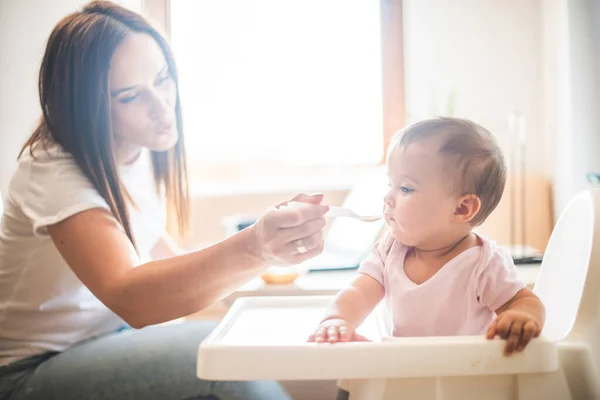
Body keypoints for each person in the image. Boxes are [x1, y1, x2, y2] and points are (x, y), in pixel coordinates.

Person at [0, 2, 328, 399]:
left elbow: (167, 265)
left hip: (105, 343)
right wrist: (259, 247)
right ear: (86, 106)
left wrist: (268, 293)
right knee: (223, 361)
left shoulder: (134, 148)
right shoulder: (53, 169)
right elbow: (134, 298)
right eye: (130, 96)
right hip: (29, 371)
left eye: (163, 79)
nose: (162, 107)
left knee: (236, 344)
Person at [309, 117, 546, 357]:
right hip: (403, 370)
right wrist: (337, 320)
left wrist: (521, 316)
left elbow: (524, 301)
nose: (387, 197)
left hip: (464, 374)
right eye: (390, 183)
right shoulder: (388, 252)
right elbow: (358, 293)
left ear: (461, 209)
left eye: (405, 188)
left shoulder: (484, 263)